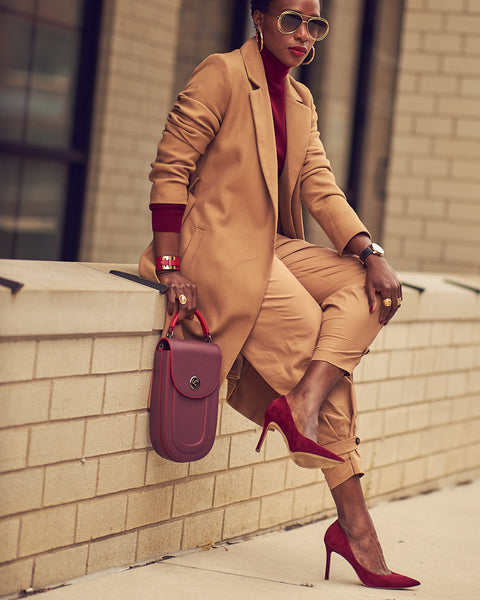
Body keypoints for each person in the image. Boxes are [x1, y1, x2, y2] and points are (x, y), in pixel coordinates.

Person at [139, 0, 420, 589]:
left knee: (368, 291)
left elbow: (320, 185)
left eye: (313, 23)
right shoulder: (220, 72)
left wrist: (370, 252)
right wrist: (169, 265)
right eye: (290, 19)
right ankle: (357, 528)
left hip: (271, 247)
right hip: (217, 247)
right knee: (313, 340)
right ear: (258, 18)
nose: (302, 33)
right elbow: (170, 169)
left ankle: (303, 404)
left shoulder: (301, 99)